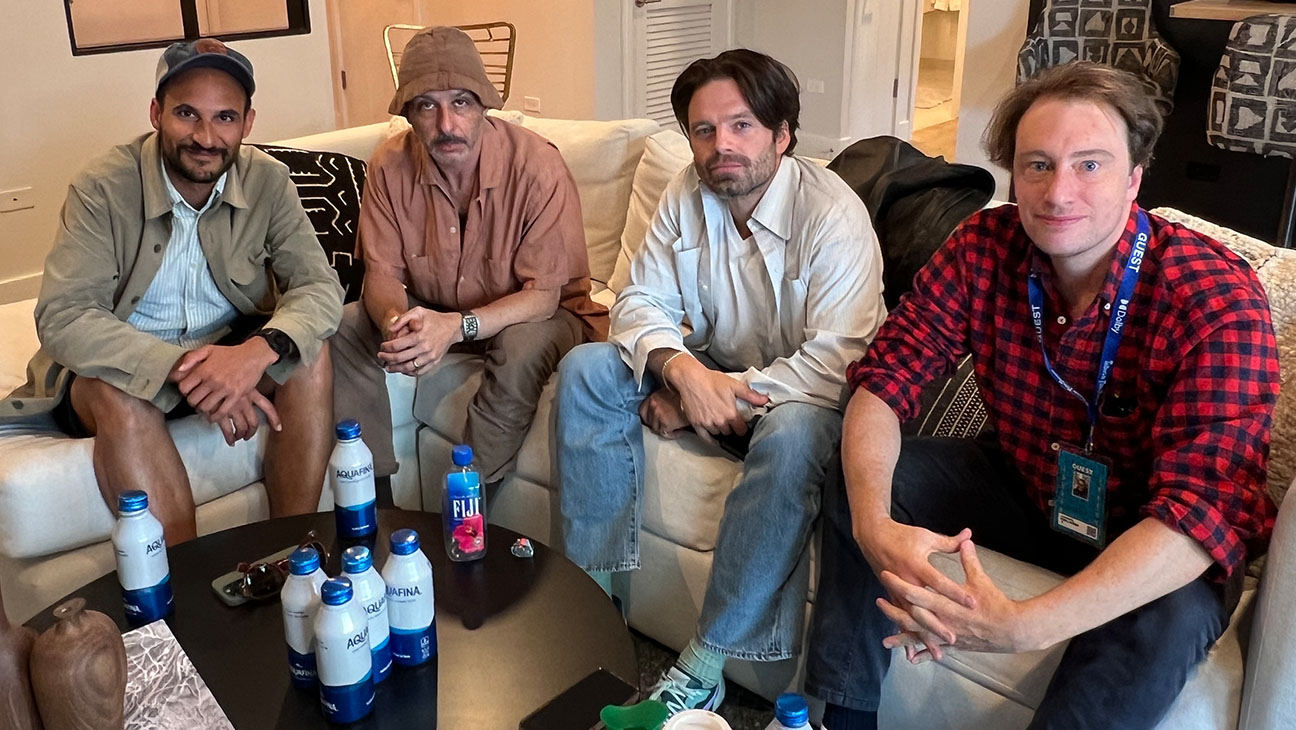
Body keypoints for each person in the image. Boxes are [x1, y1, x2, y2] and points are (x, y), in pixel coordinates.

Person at [805, 61, 1279, 730]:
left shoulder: (1213, 295)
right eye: (1037, 165)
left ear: (1135, 177)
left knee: (1171, 611)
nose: (1058, 192)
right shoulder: (982, 247)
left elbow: (1203, 509)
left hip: (1151, 525)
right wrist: (874, 530)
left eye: (1090, 165)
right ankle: (843, 718)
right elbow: (885, 381)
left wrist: (1022, 625)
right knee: (864, 472)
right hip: (1026, 483)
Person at [555, 49, 887, 715]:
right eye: (703, 131)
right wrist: (681, 372)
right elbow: (635, 303)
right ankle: (593, 603)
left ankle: (704, 664)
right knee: (586, 368)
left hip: (804, 397)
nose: (720, 147)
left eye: (741, 126)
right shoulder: (686, 192)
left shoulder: (832, 216)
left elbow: (836, 363)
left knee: (794, 434)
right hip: (710, 373)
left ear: (783, 133)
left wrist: (704, 399)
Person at [0, 39, 343, 544]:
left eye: (225, 118)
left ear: (248, 124)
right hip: (128, 360)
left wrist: (257, 352)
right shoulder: (102, 187)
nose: (206, 137)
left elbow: (318, 285)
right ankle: (188, 595)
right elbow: (64, 315)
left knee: (310, 357)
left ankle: (289, 554)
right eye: (187, 114)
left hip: (226, 342)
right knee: (121, 397)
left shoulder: (268, 182)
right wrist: (192, 371)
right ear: (157, 112)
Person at [331, 26, 606, 486]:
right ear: (408, 114)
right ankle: (372, 496)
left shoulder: (537, 166)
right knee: (345, 327)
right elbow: (380, 275)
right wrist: (398, 325)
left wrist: (455, 327)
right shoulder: (387, 164)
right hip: (436, 308)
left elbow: (542, 297)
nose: (446, 125)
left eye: (460, 102)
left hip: (540, 315)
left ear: (483, 105)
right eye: (427, 106)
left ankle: (468, 501)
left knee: (520, 345)